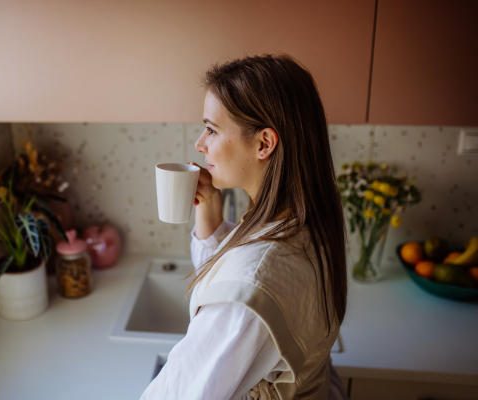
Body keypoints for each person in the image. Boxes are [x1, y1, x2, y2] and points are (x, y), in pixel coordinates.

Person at [140, 54, 349, 400]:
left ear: (264, 143)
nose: (200, 143)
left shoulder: (252, 285)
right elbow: (228, 275)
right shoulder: (307, 223)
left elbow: (177, 394)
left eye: (211, 128)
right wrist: (208, 208)